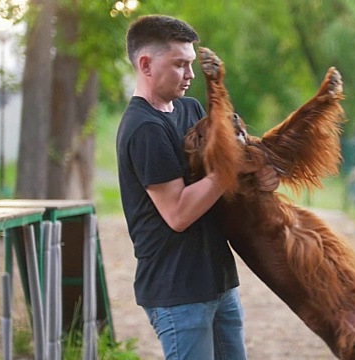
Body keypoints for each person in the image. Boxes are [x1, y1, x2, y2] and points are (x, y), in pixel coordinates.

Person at [116, 14, 279, 360]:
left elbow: (217, 187)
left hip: (218, 282)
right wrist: (229, 166)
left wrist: (259, 176)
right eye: (180, 64)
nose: (191, 75)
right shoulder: (144, 128)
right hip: (178, 293)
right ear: (145, 64)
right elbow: (177, 213)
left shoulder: (190, 109)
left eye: (191, 64)